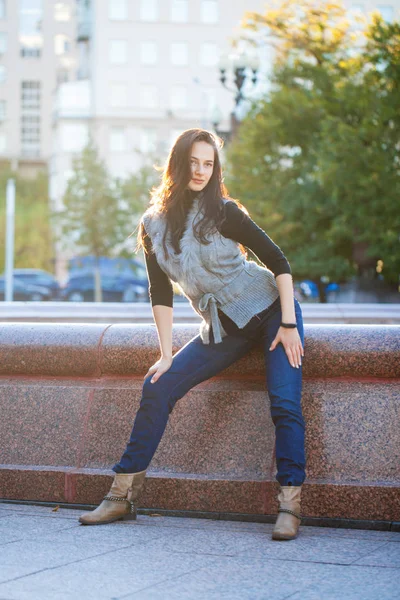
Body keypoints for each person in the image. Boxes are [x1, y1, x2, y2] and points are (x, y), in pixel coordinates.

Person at [79, 128, 305, 541]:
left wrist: (289, 324)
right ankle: (121, 495)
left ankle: (289, 505)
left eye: (209, 163)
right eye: (194, 162)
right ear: (178, 164)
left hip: (272, 311)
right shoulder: (153, 226)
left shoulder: (224, 212)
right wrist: (166, 355)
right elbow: (160, 292)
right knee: (158, 385)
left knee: (285, 402)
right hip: (223, 328)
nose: (201, 171)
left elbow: (279, 262)